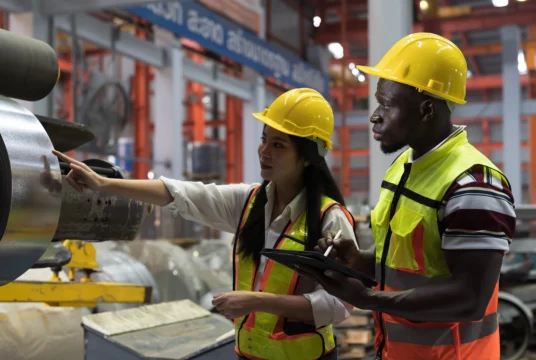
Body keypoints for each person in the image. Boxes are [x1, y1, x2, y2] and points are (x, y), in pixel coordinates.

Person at [52, 88, 358, 360]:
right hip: (249, 355)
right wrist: (103, 184)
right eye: (264, 139)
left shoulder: (328, 219)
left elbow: (341, 304)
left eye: (279, 145)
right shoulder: (249, 203)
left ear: (307, 157)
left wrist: (258, 302)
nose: (264, 151)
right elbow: (180, 194)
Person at [295, 33, 516, 360]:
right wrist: (357, 260)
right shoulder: (402, 167)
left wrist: (370, 298)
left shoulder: (474, 184)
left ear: (427, 108)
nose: (374, 115)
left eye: (386, 104)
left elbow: (470, 299)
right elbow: (406, 269)